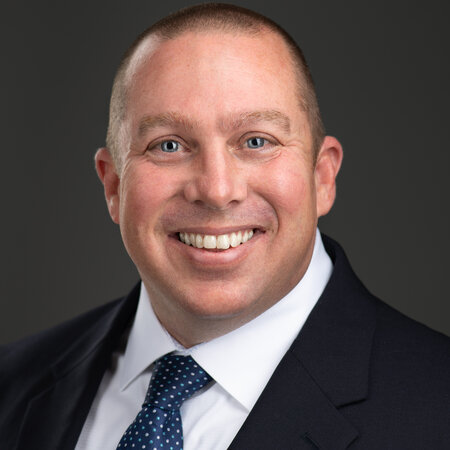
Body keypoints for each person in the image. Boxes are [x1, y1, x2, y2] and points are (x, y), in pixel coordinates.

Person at [1, 3, 449, 449]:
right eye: (169, 145)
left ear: (322, 177)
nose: (216, 190)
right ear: (114, 186)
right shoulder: (12, 385)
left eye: (256, 141)